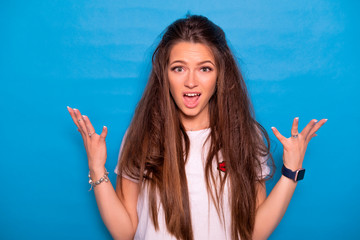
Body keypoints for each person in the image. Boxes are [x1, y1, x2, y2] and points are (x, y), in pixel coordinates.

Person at [67, 15, 326, 240]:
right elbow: (126, 233)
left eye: (204, 68)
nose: (191, 81)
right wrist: (97, 167)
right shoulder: (143, 135)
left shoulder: (245, 137)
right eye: (179, 68)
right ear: (164, 75)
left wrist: (290, 172)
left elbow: (252, 233)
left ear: (220, 74)